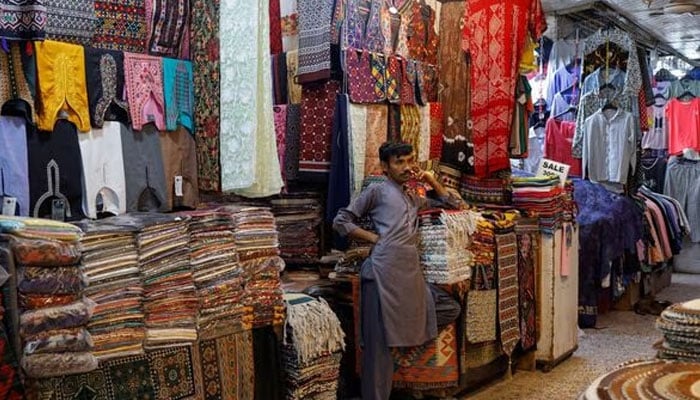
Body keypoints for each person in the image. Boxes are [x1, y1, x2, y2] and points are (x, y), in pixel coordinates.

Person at [333, 142, 461, 400]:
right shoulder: (377, 191)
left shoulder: (412, 196)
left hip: (410, 277)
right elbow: (341, 221)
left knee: (449, 307)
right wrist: (373, 238)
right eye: (399, 162)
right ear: (385, 166)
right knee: (377, 349)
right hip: (381, 274)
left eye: (410, 160)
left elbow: (453, 203)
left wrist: (430, 178)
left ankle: (402, 349)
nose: (406, 167)